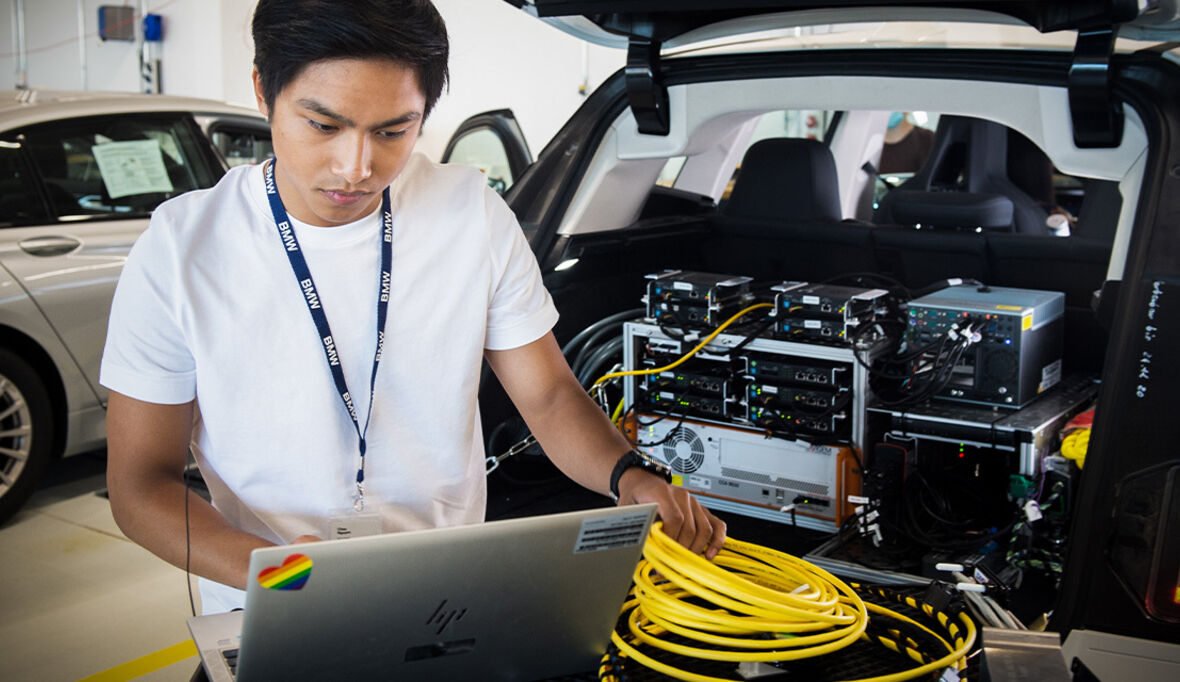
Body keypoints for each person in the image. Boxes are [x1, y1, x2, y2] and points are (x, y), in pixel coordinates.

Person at [101, 0, 725, 615]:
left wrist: (631, 478)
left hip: (448, 594)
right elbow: (140, 485)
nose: (357, 167)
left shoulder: (469, 213)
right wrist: (283, 577)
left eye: (393, 130)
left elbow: (550, 396)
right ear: (264, 91)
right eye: (323, 126)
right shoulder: (183, 249)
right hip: (265, 599)